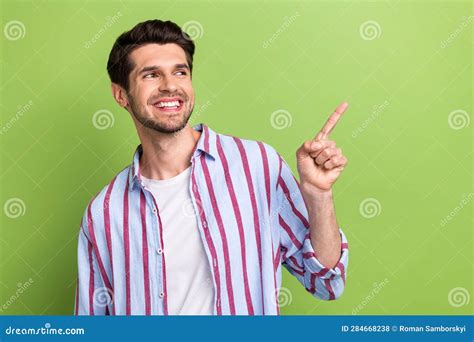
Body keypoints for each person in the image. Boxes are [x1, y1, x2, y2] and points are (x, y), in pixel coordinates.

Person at [74, 19, 349, 315]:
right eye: (151, 75)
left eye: (180, 72)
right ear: (120, 95)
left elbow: (327, 283)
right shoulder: (103, 212)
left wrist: (319, 195)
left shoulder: (258, 165)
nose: (170, 86)